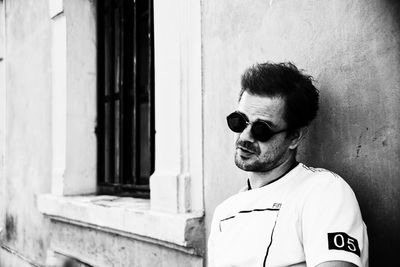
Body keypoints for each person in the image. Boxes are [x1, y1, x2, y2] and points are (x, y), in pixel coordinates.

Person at [208, 62, 368, 267]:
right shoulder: (224, 212)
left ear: (294, 137)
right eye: (239, 121)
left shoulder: (323, 192)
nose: (245, 137)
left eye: (262, 130)